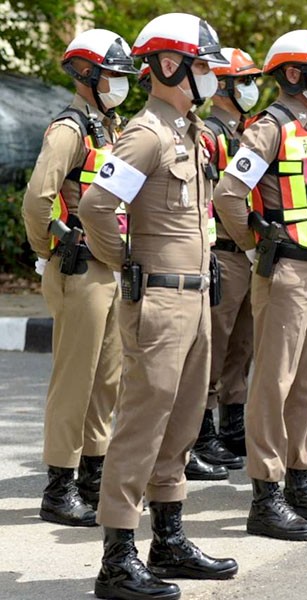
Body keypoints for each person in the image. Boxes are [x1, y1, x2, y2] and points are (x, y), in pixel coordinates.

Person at [79, 13, 238, 599]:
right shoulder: (146, 133)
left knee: (181, 423)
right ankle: (116, 559)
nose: (210, 77)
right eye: (201, 66)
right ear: (169, 66)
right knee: (141, 426)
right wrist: (125, 264)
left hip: (195, 298)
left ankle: (167, 539)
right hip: (161, 299)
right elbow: (96, 206)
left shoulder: (189, 131)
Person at [212, 29, 307, 541]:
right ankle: (266, 494)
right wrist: (255, 248)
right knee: (273, 383)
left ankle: (300, 478)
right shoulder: (269, 128)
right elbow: (229, 195)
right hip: (288, 270)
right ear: (294, 74)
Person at [21, 28, 137, 528]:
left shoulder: (109, 129)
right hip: (79, 267)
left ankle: (93, 474)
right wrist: (48, 251)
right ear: (87, 74)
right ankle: (58, 486)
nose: (121, 84)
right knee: (75, 379)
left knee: (106, 380)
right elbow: (36, 200)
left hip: (108, 266)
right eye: (112, 75)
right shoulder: (69, 128)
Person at [188, 47, 263, 480]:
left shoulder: (244, 131)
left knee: (242, 344)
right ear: (225, 87)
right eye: (246, 82)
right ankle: (200, 431)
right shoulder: (209, 135)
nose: (254, 90)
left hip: (248, 249)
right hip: (224, 253)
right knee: (212, 346)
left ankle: (232, 423)